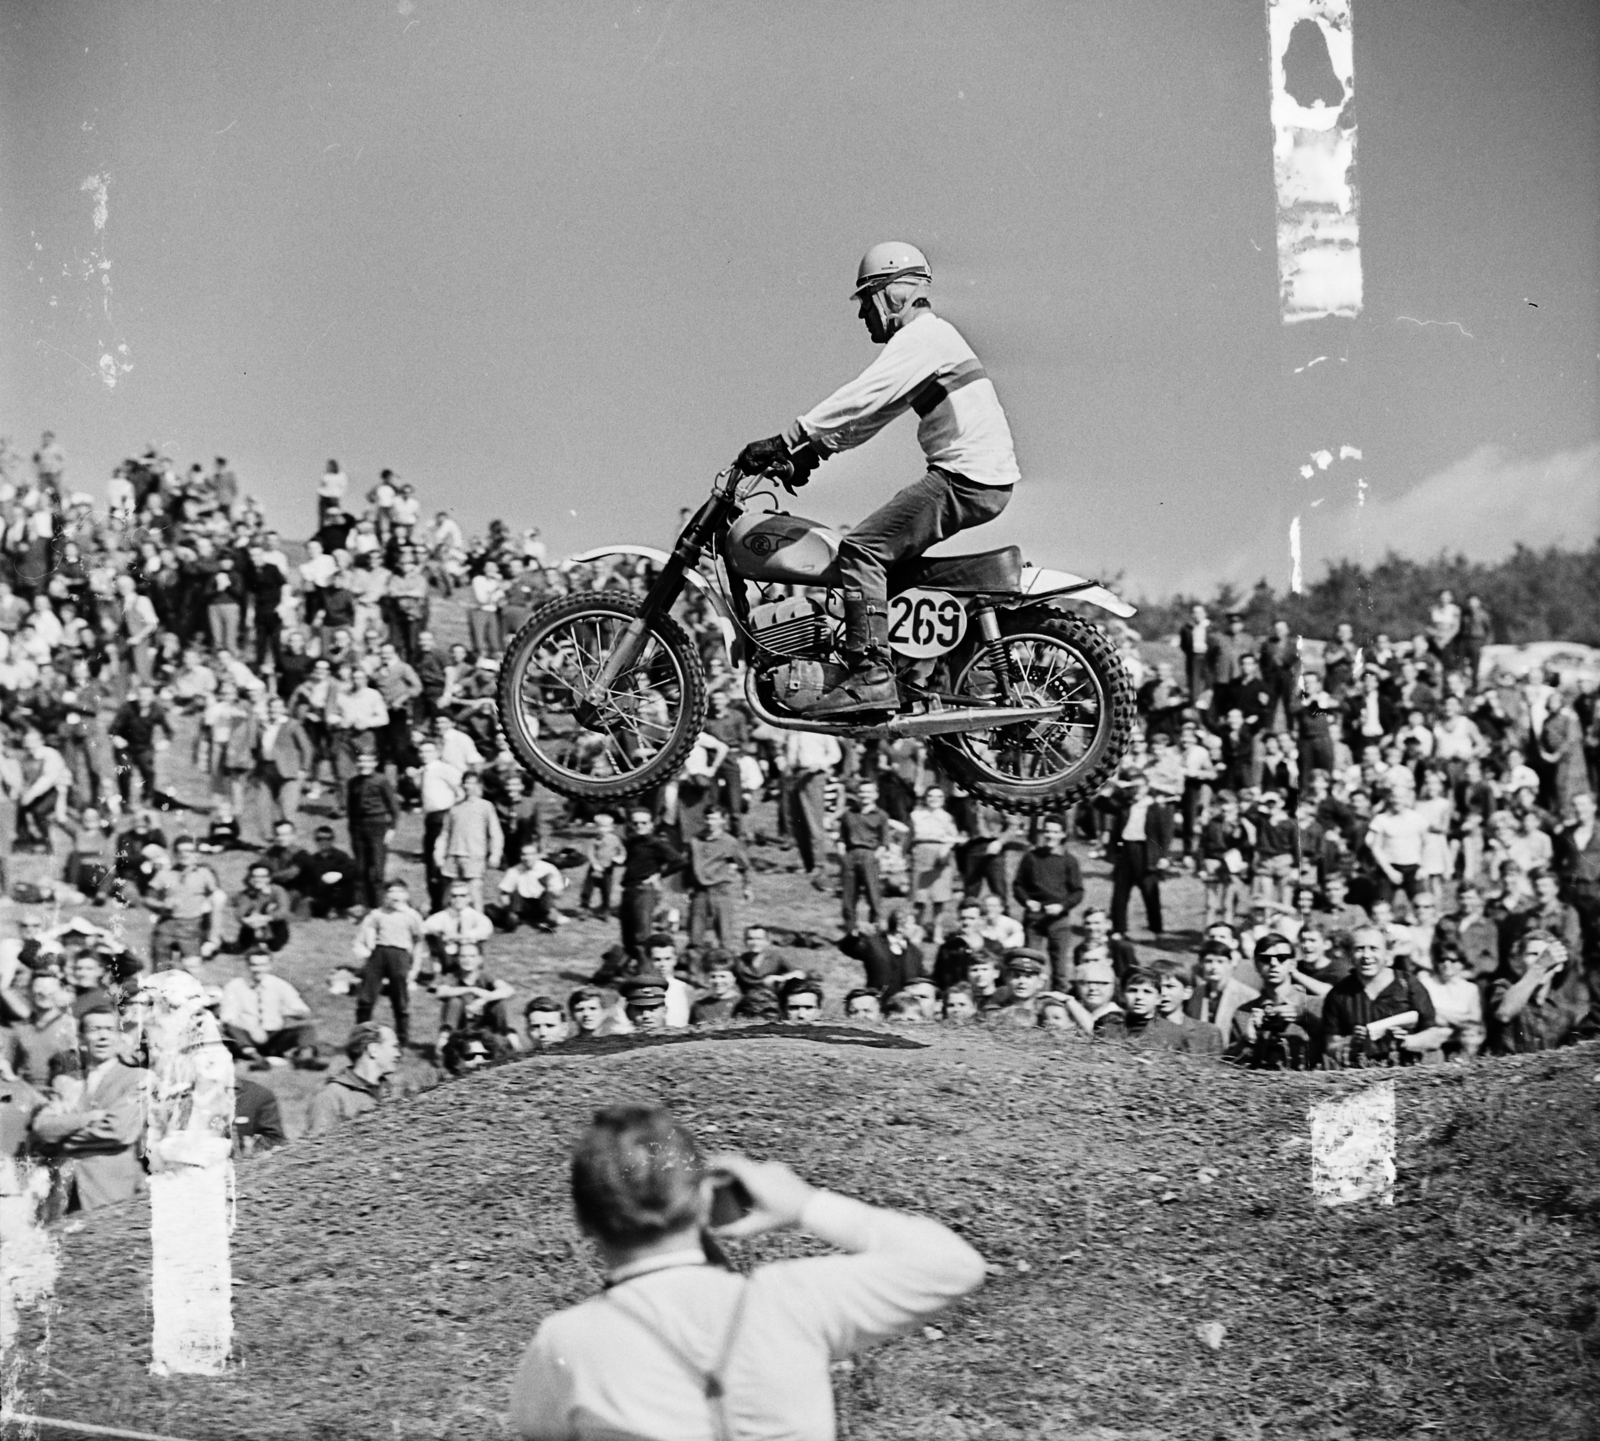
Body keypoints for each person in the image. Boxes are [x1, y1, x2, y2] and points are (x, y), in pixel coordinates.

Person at [733, 242, 1018, 715]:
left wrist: (788, 439)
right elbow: (875, 414)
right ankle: (913, 669)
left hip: (965, 478)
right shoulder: (930, 342)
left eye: (868, 300)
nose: (864, 314)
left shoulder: (922, 338)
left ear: (895, 292)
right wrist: (815, 452)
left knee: (860, 549)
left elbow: (862, 396)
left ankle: (870, 674)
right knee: (885, 565)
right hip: (977, 477)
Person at [31, 1007, 150, 1210]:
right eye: (94, 1030)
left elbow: (119, 1131)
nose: (103, 1036)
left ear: (120, 1038)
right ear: (81, 1039)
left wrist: (64, 1142)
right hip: (65, 1192)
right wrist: (89, 1117)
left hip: (112, 1191)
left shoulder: (137, 1078)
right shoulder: (68, 1082)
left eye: (109, 1030)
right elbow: (42, 1128)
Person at [1321, 926, 1438, 1068]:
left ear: (1387, 954)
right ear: (1349, 955)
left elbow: (1434, 1037)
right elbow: (1330, 1045)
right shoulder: (1338, 994)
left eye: (1374, 948)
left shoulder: (1408, 984)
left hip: (1405, 1073)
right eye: (1359, 949)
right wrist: (1350, 1042)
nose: (1366, 955)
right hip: (1359, 1075)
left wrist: (1405, 1041)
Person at [1011, 814, 1084, 991]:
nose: (1050, 836)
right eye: (1047, 831)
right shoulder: (1031, 857)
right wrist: (1027, 902)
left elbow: (1077, 892)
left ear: (1062, 834)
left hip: (1058, 920)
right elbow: (1018, 885)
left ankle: (1060, 1003)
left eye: (1055, 832)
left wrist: (1062, 906)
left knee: (1060, 969)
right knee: (1029, 964)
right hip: (1035, 918)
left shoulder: (1069, 860)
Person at [351, 879, 428, 1047]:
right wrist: (368, 952)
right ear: (385, 895)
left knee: (399, 998)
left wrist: (415, 968)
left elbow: (418, 943)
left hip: (400, 954)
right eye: (391, 892)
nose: (394, 896)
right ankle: (361, 1036)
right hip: (379, 953)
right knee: (366, 998)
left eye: (399, 892)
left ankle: (402, 1039)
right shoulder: (378, 914)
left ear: (406, 895)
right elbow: (367, 932)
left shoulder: (412, 916)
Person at [218, 950, 323, 1069]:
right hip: (246, 1035)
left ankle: (306, 1059)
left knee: (307, 1029)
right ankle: (257, 1059)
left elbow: (304, 1011)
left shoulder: (280, 985)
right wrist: (252, 1029)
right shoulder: (235, 986)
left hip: (273, 1036)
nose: (258, 969)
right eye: (254, 965)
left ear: (269, 966)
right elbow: (227, 1017)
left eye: (263, 965)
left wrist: (291, 1012)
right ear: (247, 965)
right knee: (231, 1029)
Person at [306, 1023, 399, 1136]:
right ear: (373, 1049)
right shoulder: (331, 1095)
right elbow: (316, 1146)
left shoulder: (393, 1092)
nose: (398, 1054)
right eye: (394, 1047)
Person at [685, 807, 750, 955]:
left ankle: (725, 965)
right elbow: (688, 865)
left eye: (714, 819)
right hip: (700, 891)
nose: (710, 823)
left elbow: (744, 866)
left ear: (722, 820)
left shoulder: (729, 842)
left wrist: (747, 887)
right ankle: (696, 970)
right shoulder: (695, 840)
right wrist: (688, 887)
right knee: (695, 934)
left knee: (724, 933)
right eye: (707, 818)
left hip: (720, 890)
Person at [346, 749, 402, 913]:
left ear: (375, 763)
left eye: (368, 761)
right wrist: (352, 828)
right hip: (358, 826)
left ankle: (378, 906)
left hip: (377, 825)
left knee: (377, 869)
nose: (364, 764)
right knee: (360, 868)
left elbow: (394, 808)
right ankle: (363, 905)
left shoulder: (381, 781)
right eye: (361, 761)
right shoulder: (353, 782)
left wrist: (391, 829)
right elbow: (351, 807)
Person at [492, 842, 568, 933]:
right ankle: (515, 918)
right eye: (524, 855)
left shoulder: (548, 869)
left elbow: (558, 894)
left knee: (550, 906)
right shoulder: (514, 870)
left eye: (531, 854)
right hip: (522, 904)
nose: (527, 858)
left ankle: (549, 918)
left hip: (542, 902)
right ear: (520, 856)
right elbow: (504, 892)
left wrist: (548, 886)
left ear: (537, 855)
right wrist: (506, 902)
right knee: (515, 896)